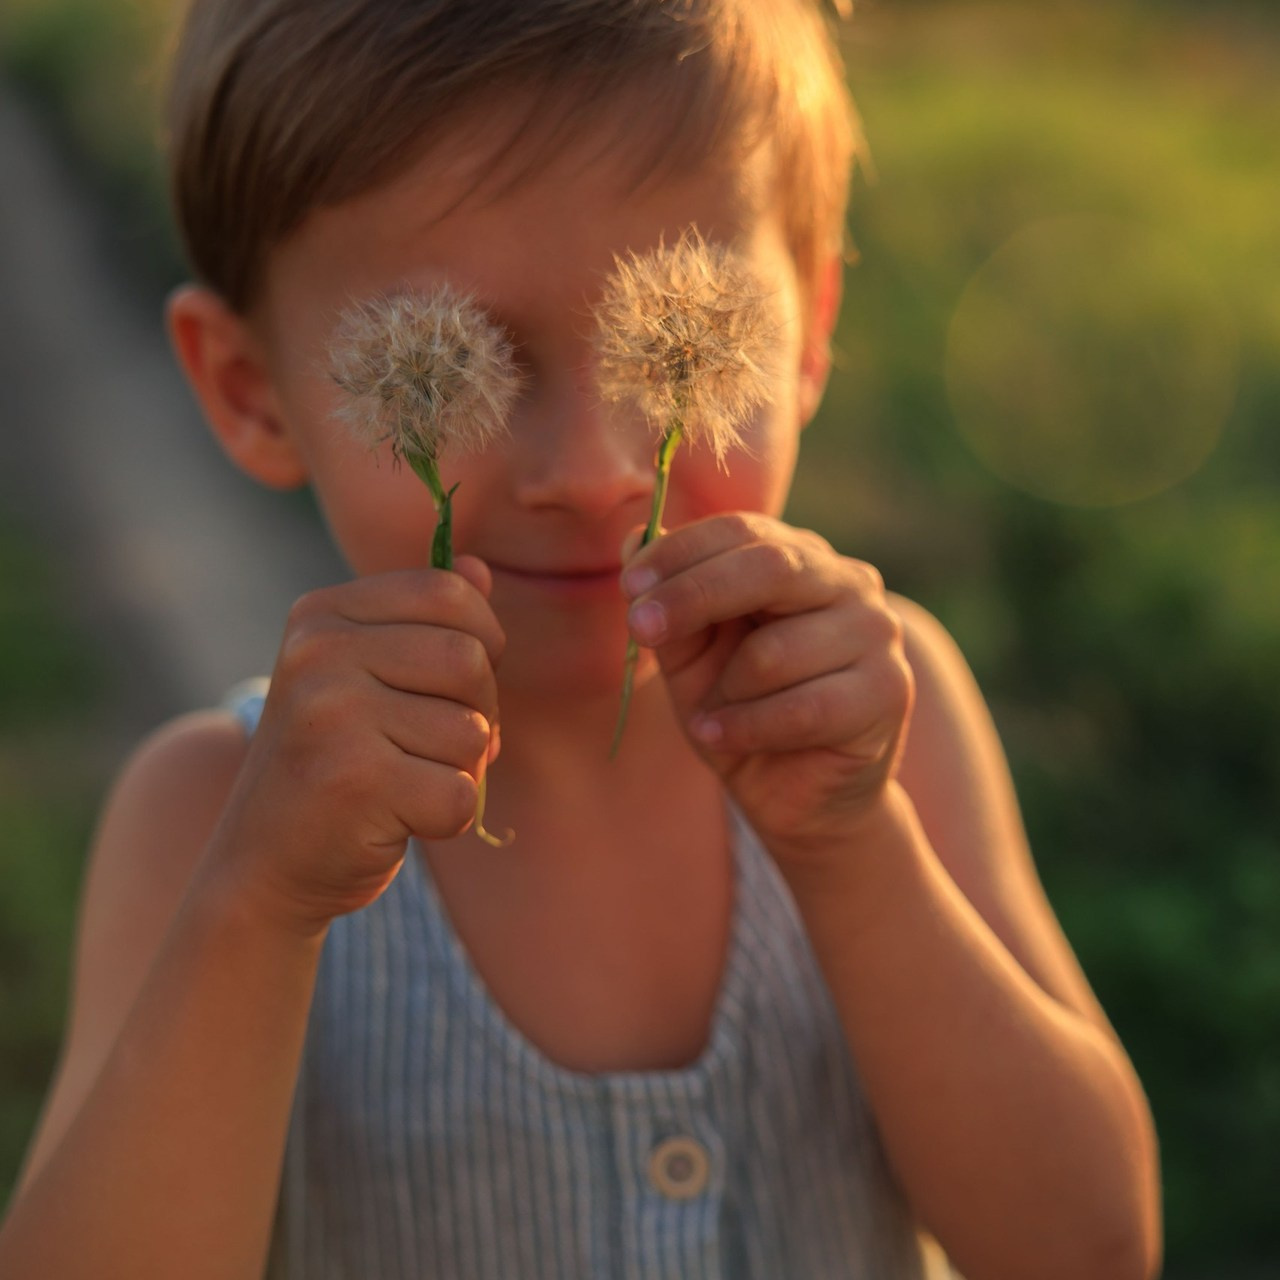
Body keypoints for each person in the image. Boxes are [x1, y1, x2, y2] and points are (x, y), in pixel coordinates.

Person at [0, 1, 1161, 1277]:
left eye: (678, 351)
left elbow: (1084, 1245)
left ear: (807, 331)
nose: (593, 470)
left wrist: (853, 845)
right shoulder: (210, 815)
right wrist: (261, 904)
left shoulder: (886, 724)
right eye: (449, 366)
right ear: (249, 389)